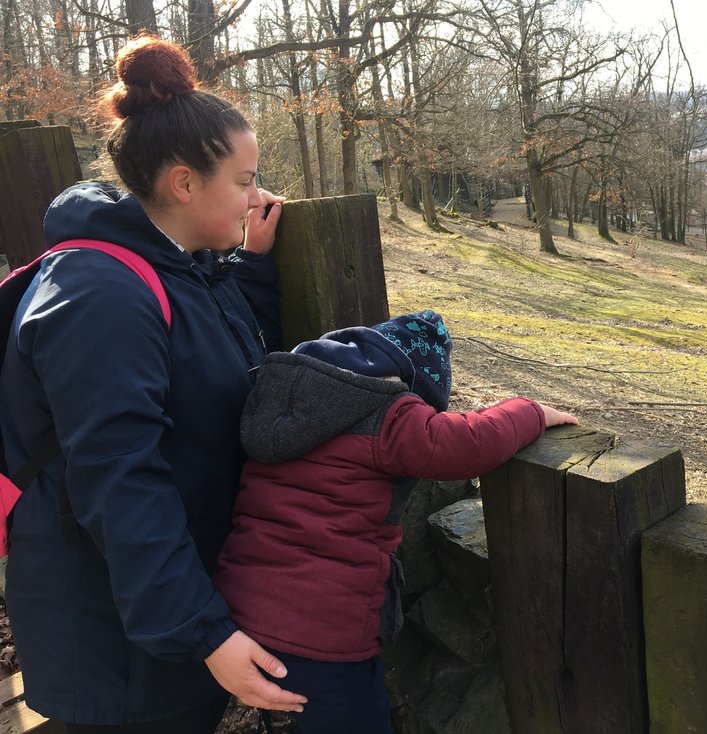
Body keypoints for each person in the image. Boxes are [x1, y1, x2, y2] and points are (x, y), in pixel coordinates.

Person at [0, 35, 307, 732]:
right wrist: (205, 633)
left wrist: (251, 264)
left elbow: (214, 356)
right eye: (244, 179)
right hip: (115, 640)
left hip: (157, 612)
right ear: (184, 183)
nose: (257, 195)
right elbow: (120, 480)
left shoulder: (181, 265)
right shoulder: (100, 295)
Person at [212, 310, 578, 734]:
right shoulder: (388, 416)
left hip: (240, 609)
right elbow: (467, 444)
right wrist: (529, 411)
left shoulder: (289, 401)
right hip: (325, 630)